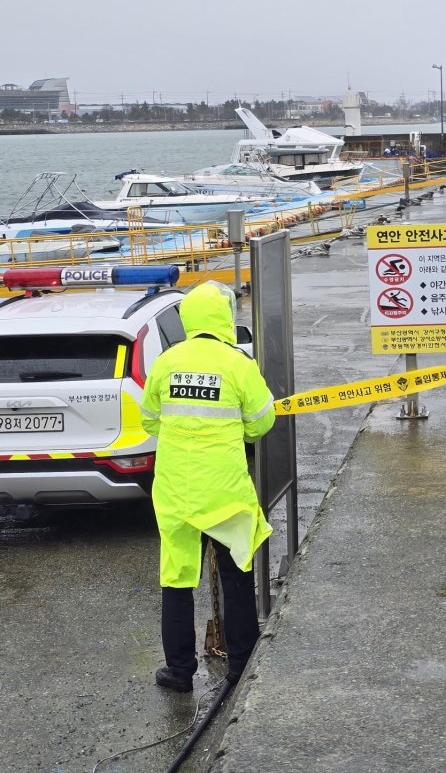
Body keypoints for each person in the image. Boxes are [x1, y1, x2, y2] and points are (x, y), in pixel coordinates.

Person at [141, 281, 276, 692]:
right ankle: (240, 667)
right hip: (224, 490)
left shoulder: (168, 360)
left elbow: (150, 418)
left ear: (188, 319)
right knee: (236, 577)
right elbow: (261, 422)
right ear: (224, 318)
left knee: (178, 579)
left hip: (176, 490)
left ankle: (179, 672)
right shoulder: (237, 364)